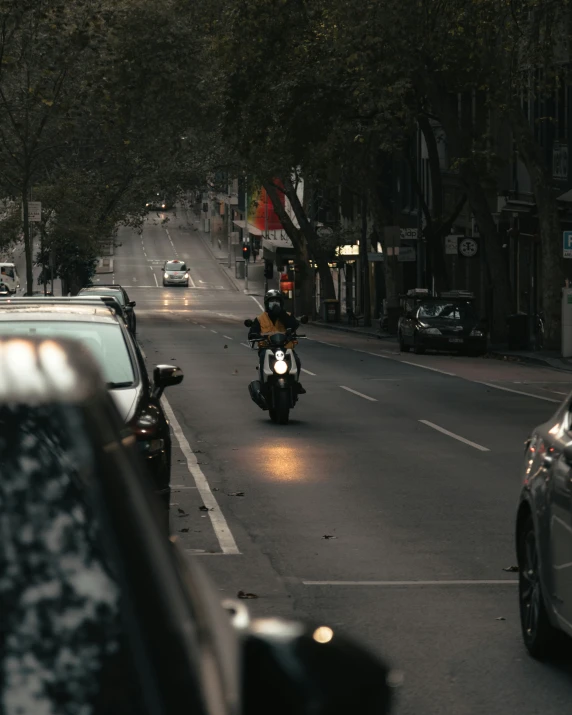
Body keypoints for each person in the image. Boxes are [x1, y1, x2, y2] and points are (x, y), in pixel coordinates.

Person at [248, 289, 306, 394]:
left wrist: (281, 314)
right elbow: (252, 333)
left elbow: (294, 325)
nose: (274, 303)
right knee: (262, 359)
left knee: (296, 360)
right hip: (267, 348)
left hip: (285, 347)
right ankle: (263, 385)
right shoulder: (260, 319)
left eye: (277, 301)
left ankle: (295, 383)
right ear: (266, 303)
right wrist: (254, 335)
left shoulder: (286, 315)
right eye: (272, 301)